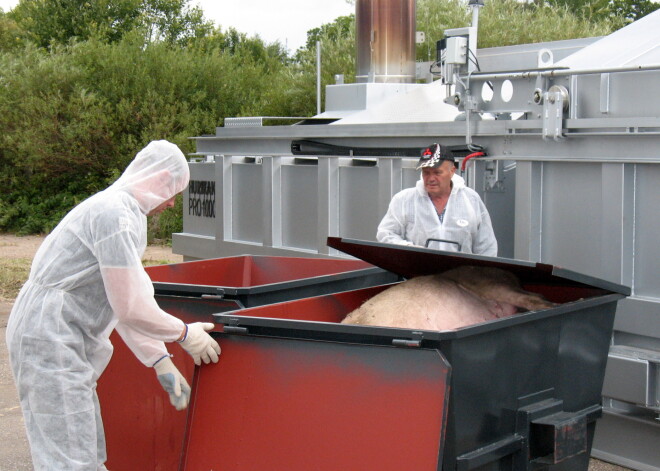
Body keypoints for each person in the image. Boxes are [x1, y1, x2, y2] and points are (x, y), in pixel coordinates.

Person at [6, 140, 221, 471]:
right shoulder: (113, 214)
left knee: (85, 447)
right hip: (48, 335)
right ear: (161, 178)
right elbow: (129, 306)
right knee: (68, 458)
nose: (173, 201)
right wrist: (183, 334)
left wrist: (160, 359)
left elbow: (127, 296)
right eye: (175, 191)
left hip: (64, 335)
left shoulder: (127, 216)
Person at [377, 143, 497, 256]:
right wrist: (412, 250)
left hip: (460, 275)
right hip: (418, 275)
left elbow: (486, 247)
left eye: (437, 172)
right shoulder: (404, 200)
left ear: (452, 171)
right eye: (426, 172)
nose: (431, 178)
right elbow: (386, 234)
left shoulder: (471, 199)